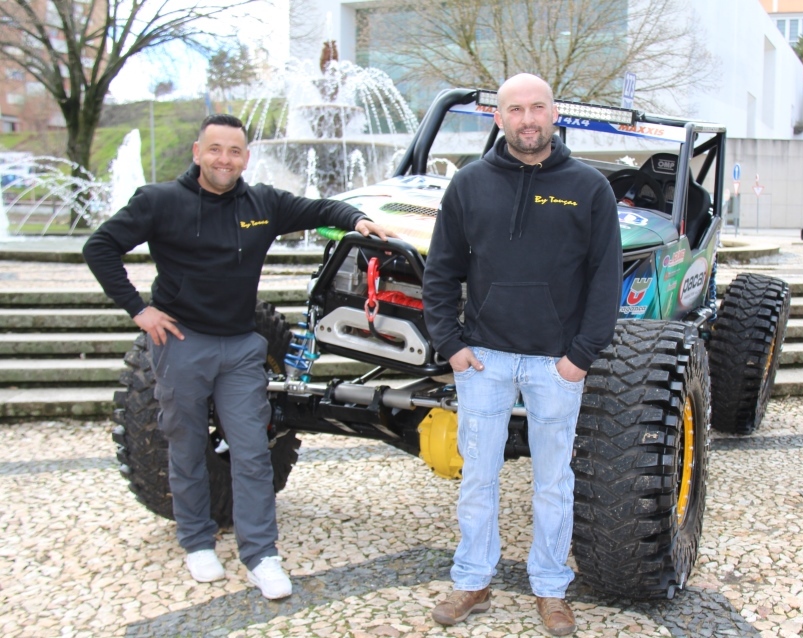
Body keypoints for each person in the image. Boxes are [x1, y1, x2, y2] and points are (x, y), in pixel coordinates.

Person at [83, 114, 392, 600]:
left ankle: (261, 554)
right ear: (197, 152)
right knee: (185, 447)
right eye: (215, 149)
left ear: (245, 157)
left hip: (242, 346)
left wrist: (355, 220)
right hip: (182, 344)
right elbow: (99, 247)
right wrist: (140, 311)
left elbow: (318, 208)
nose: (224, 159)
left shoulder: (262, 203)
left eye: (234, 151)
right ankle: (196, 540)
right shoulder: (160, 202)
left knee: (251, 451)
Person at [421, 74, 621, 636]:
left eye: (537, 107)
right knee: (477, 477)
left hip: (556, 364)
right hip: (483, 359)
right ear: (498, 118)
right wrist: (451, 345)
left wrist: (580, 356)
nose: (527, 119)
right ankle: (473, 580)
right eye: (515, 109)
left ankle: (551, 588)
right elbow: (440, 271)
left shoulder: (589, 187)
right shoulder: (467, 184)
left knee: (554, 481)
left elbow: (605, 279)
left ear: (554, 113)